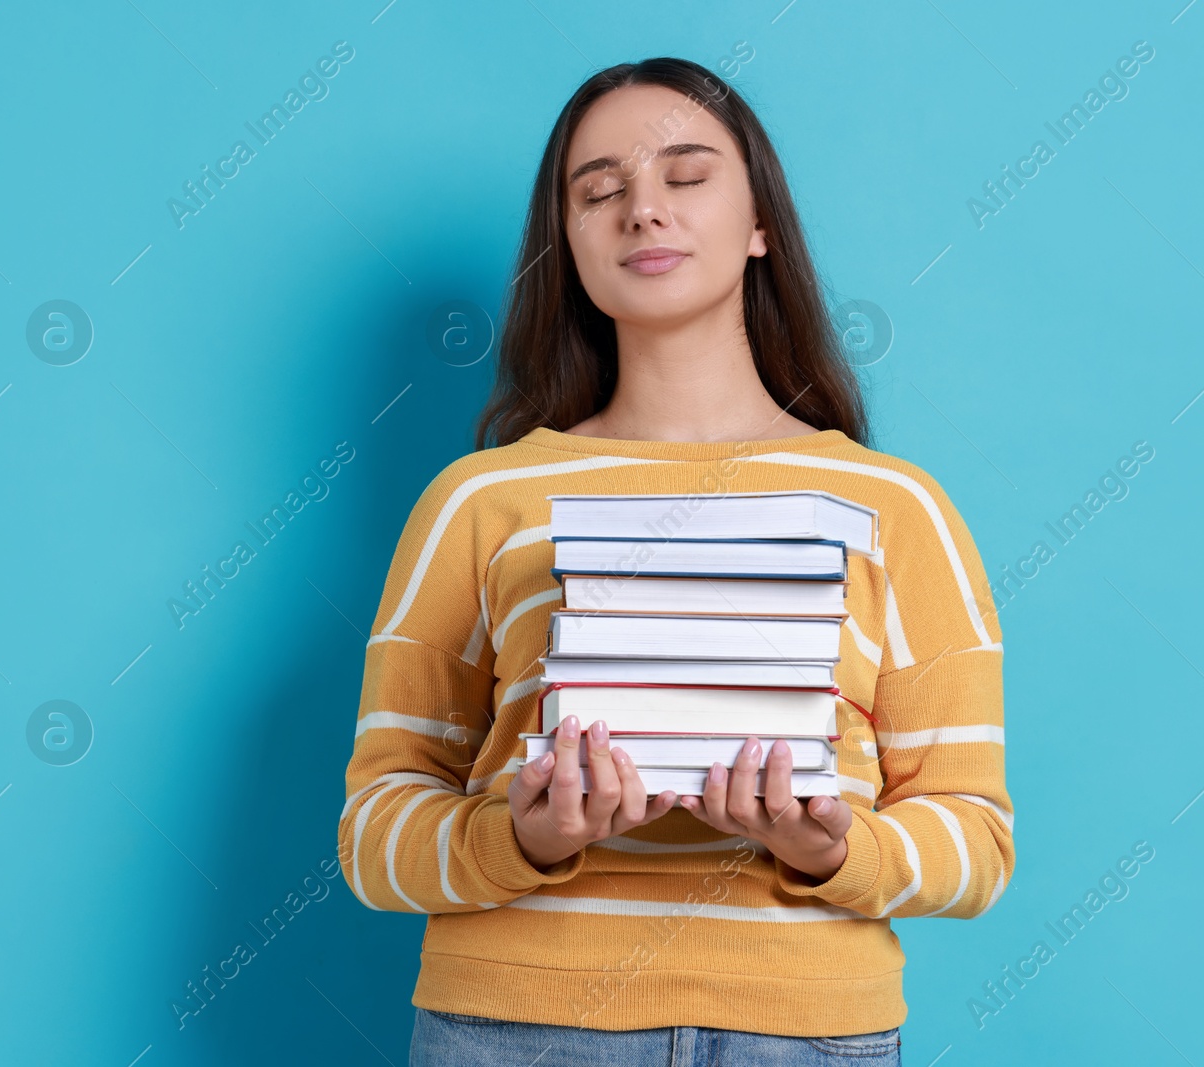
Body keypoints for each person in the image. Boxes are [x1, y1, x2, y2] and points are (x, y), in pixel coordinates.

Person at [337, 56, 1013, 1067]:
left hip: (806, 1028)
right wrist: (519, 840)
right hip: (515, 1026)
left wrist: (832, 850)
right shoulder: (477, 502)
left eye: (685, 177)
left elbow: (977, 841)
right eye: (600, 191)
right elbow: (372, 830)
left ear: (759, 226)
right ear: (567, 245)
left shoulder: (895, 508)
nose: (641, 211)